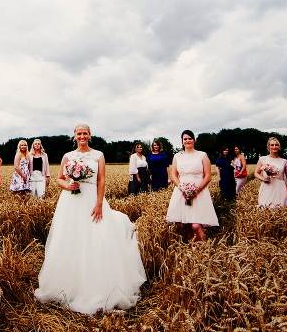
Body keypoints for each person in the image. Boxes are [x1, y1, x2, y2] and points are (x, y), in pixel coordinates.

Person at [35, 124, 146, 314]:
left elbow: (101, 180)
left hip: (92, 200)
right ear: (75, 136)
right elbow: (60, 178)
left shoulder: (98, 155)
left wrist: (99, 203)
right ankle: (69, 286)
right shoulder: (68, 156)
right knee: (70, 237)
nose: (82, 136)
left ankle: (95, 285)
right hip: (71, 201)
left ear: (90, 136)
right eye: (79, 133)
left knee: (96, 237)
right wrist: (68, 186)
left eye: (85, 133)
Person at [166, 130, 219, 242]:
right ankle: (194, 251)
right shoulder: (177, 156)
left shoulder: (202, 155)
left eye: (190, 138)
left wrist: (197, 190)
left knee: (196, 226)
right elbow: (174, 176)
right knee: (187, 224)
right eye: (185, 139)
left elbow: (208, 176)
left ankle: (205, 250)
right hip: (182, 192)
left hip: (199, 192)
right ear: (182, 141)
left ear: (194, 140)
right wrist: (182, 189)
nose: (187, 141)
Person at [255, 137, 287, 207]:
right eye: (272, 145)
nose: (274, 147)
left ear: (279, 147)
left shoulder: (284, 161)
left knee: (281, 208)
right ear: (268, 147)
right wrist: (263, 179)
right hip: (267, 186)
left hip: (281, 187)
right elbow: (256, 173)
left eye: (276, 145)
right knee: (265, 207)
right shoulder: (262, 159)